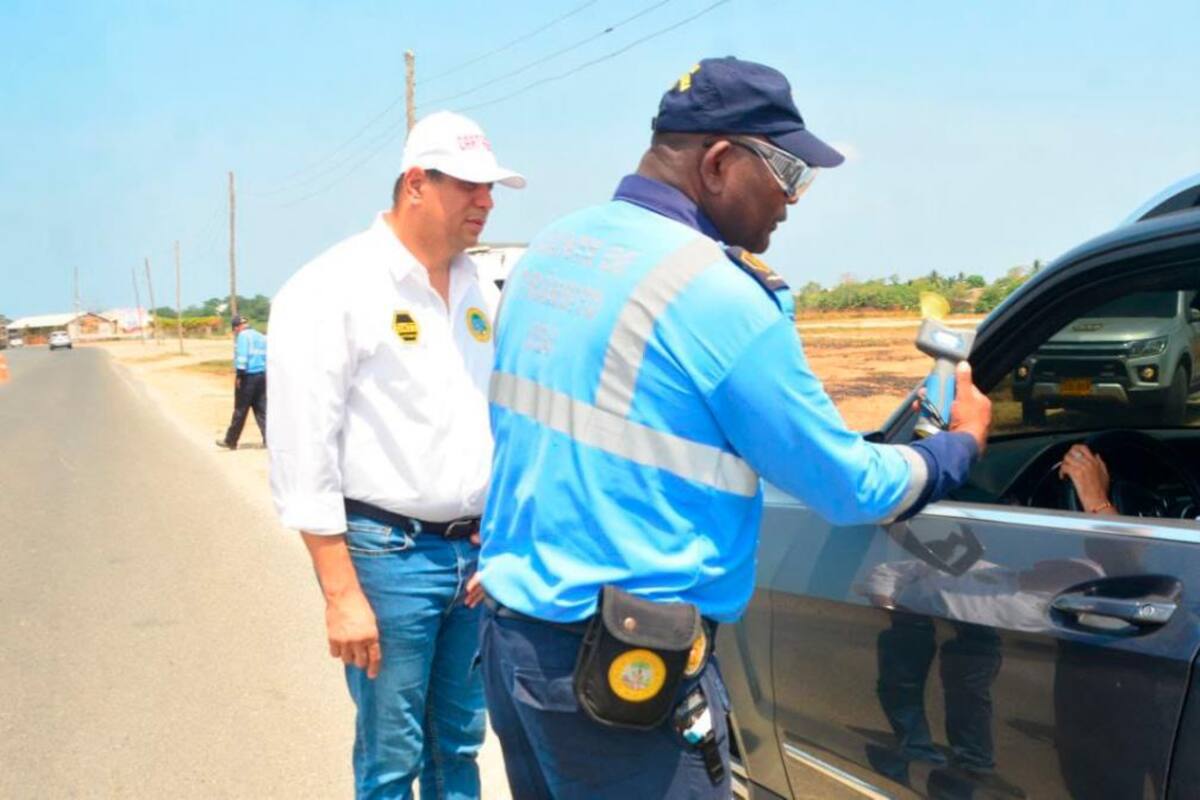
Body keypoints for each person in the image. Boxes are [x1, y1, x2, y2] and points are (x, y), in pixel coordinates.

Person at [471, 56, 993, 799]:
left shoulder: (552, 249)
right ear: (718, 162)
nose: (793, 199)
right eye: (788, 171)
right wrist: (954, 449)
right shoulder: (717, 294)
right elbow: (847, 488)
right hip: (619, 675)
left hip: (515, 643)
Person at [267, 110, 524, 799]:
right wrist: (341, 594)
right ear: (416, 182)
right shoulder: (333, 289)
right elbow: (302, 452)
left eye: (492, 188)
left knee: (460, 748)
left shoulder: (482, 292)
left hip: (472, 560)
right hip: (388, 559)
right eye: (470, 185)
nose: (487, 202)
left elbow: (504, 422)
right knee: (391, 757)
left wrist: (497, 539)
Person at [215, 314, 267, 450]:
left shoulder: (243, 336)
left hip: (248, 377)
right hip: (262, 376)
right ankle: (269, 439)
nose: (235, 332)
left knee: (240, 410)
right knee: (262, 409)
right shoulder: (261, 336)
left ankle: (231, 440)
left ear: (237, 327)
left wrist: (239, 376)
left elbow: (242, 359)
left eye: (235, 329)